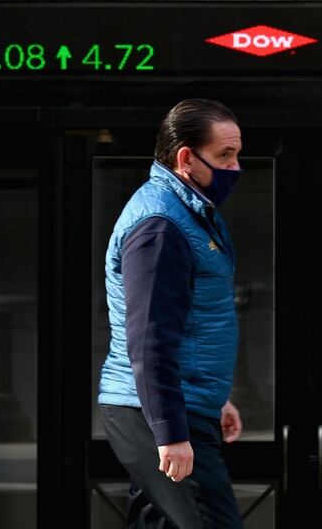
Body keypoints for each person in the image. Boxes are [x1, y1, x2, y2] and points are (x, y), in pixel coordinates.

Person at [98, 98, 245, 528]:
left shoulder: (188, 213)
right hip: (155, 411)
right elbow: (149, 339)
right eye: (224, 155)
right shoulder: (161, 225)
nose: (235, 167)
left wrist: (212, 398)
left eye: (236, 154)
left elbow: (192, 321)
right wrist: (172, 432)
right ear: (186, 157)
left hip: (175, 404)